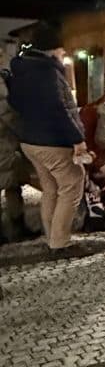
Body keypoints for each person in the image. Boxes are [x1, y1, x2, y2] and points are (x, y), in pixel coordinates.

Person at [7, 22, 87, 252]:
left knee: (51, 188)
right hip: (51, 141)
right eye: (61, 51)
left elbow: (15, 104)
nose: (63, 55)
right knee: (72, 183)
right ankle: (60, 242)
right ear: (51, 50)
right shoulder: (47, 71)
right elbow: (58, 108)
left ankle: (51, 236)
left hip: (30, 140)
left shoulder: (21, 70)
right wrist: (77, 138)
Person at [0, 68, 38, 244]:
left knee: (12, 184)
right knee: (12, 185)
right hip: (3, 142)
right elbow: (6, 113)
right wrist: (24, 131)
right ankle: (17, 226)